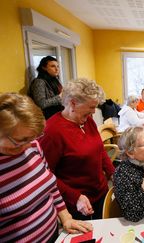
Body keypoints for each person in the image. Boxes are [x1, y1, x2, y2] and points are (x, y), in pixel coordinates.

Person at [0, 93, 92, 242]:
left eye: (32, 138)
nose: (28, 146)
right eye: (20, 141)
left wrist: (65, 216)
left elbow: (49, 183)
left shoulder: (33, 145)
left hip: (53, 235)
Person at [39, 78, 115, 220]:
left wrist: (113, 173)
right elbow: (46, 174)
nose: (93, 112)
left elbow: (100, 150)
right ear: (73, 103)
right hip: (77, 202)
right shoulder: (52, 132)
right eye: (91, 107)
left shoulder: (87, 120)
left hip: (100, 192)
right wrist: (74, 196)